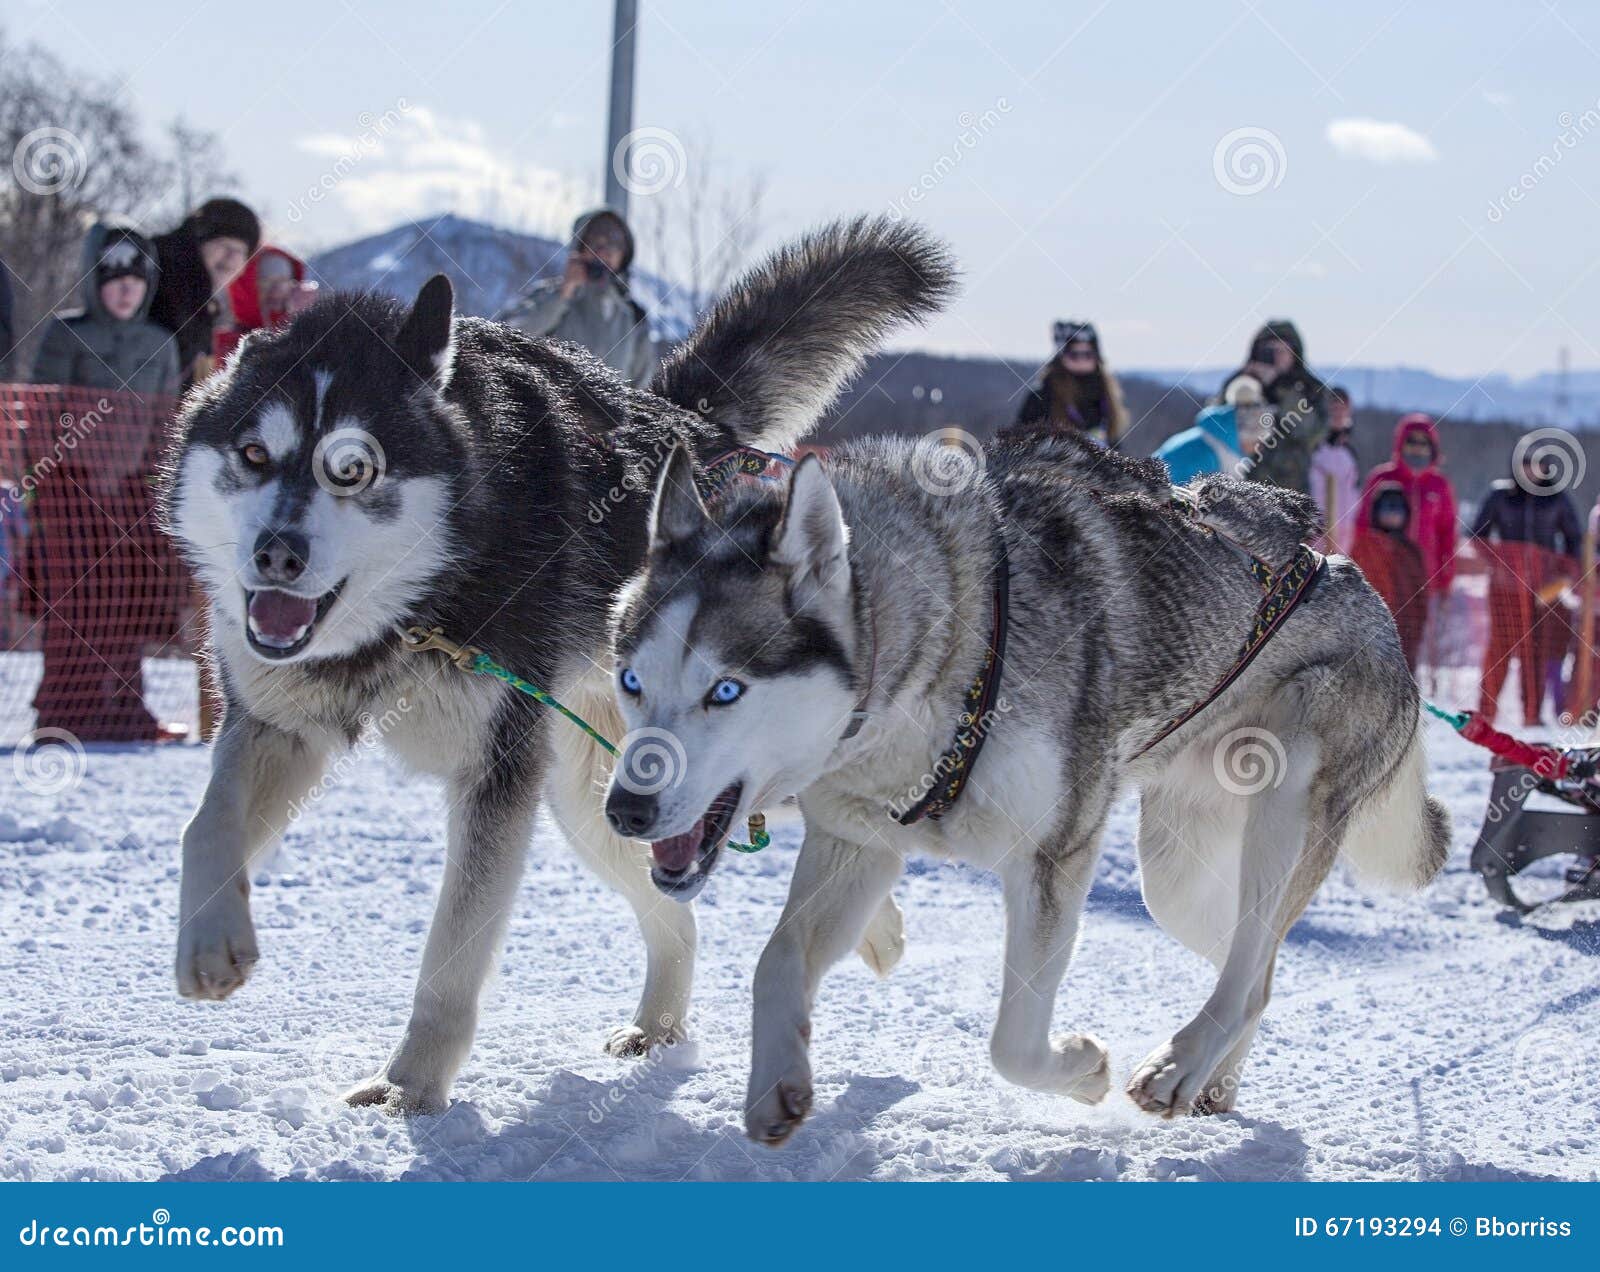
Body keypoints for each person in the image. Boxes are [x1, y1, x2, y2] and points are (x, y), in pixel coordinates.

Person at [27, 219, 183, 741]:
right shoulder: (67, 334)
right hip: (70, 490)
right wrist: (45, 478)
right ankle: (61, 712)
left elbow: (166, 422)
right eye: (113, 280)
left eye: (135, 281)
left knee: (125, 602)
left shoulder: (160, 343)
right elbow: (43, 408)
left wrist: (162, 487)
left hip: (133, 492)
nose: (125, 291)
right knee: (74, 604)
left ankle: (126, 709)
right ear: (94, 282)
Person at [1470, 441, 1585, 724]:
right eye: (1526, 463)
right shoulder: (1500, 495)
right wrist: (1497, 563)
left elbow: (1574, 541)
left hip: (1543, 590)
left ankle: (1532, 714)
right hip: (1505, 587)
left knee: (1535, 651)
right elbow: (1477, 535)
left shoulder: (1557, 499)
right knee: (1500, 649)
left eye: (1538, 463)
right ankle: (1486, 713)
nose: (1532, 469)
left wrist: (1563, 573)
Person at [497, 207, 653, 386]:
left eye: (614, 247)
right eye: (596, 245)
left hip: (611, 405)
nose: (604, 254)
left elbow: (642, 383)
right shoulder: (548, 294)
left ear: (624, 256)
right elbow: (509, 335)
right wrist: (563, 294)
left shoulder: (634, 316)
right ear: (579, 248)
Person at [1356, 413, 1459, 640]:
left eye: (1424, 442)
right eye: (1411, 441)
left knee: (1412, 643)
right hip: (1382, 577)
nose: (1417, 447)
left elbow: (1448, 535)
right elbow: (1362, 527)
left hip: (1422, 581)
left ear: (1432, 446)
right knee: (1377, 640)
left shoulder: (1439, 485)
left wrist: (1446, 579)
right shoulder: (1381, 478)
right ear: (1401, 443)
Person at [148, 197, 261, 386]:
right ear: (197, 244)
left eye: (240, 250)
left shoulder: (202, 304)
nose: (231, 257)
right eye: (224, 244)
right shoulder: (165, 286)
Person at [1219, 320, 1327, 494]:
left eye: (1283, 350)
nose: (1277, 357)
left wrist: (1283, 391)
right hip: (1243, 484)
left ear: (1295, 353)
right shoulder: (1240, 382)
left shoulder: (1310, 388)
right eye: (1270, 350)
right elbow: (1219, 423)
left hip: (1291, 488)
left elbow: (1312, 432)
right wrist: (1247, 389)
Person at [1007, 320, 1129, 447]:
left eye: (1088, 354)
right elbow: (1020, 441)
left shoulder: (1106, 393)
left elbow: (1114, 441)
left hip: (1099, 457)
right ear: (1061, 357)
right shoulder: (1042, 395)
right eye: (1074, 355)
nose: (1081, 360)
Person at [1350, 481, 1429, 671]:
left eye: (1397, 509)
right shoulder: (1365, 546)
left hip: (1405, 629)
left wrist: (1417, 626)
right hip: (1369, 631)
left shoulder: (1411, 552)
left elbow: (1421, 594)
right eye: (1387, 509)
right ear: (1376, 512)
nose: (1392, 515)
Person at [1153, 376, 1268, 484]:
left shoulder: (1216, 443)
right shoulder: (1206, 456)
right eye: (1257, 441)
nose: (1260, 447)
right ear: (1243, 436)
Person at [212, 245, 317, 363]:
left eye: (284, 280)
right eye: (266, 282)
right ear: (246, 289)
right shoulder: (227, 345)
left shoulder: (309, 331)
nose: (278, 290)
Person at [1307, 385, 1360, 553]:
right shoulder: (1314, 450)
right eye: (1334, 408)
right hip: (1316, 537)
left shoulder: (1350, 454)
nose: (1338, 414)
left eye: (1342, 409)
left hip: (1344, 540)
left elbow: (1353, 495)